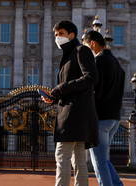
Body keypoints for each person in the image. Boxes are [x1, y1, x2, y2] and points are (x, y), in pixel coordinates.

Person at [41, 20, 99, 186]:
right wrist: (53, 98)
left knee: (62, 157)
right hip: (75, 113)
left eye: (61, 34)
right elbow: (70, 89)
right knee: (79, 161)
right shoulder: (68, 55)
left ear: (71, 35)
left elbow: (91, 78)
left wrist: (60, 89)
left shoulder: (81, 50)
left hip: (74, 115)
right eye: (56, 35)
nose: (57, 38)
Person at [82, 30, 125, 186]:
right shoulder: (116, 62)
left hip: (101, 118)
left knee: (98, 162)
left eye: (86, 46)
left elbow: (94, 91)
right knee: (104, 159)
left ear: (92, 44)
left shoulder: (98, 62)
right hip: (114, 118)